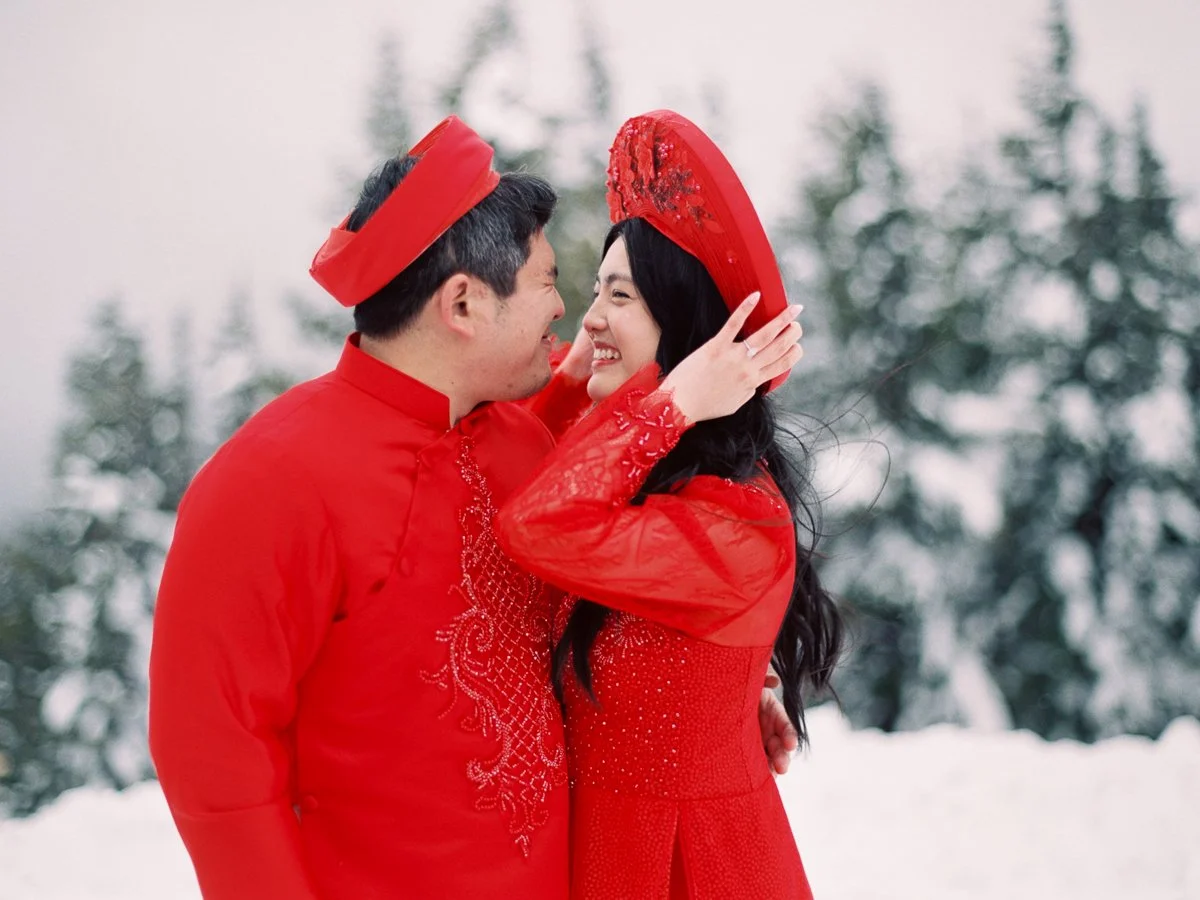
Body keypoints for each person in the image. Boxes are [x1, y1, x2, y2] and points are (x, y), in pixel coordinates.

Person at [148, 115, 799, 899]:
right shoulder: (269, 477)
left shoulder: (525, 438)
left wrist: (718, 692)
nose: (567, 314)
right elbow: (211, 755)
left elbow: (668, 536)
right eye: (548, 283)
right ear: (463, 303)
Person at [495, 110, 844, 900]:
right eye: (592, 291)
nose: (589, 317)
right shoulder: (642, 480)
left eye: (618, 295)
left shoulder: (737, 523)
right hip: (601, 858)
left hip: (689, 871)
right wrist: (587, 371)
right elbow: (519, 478)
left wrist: (669, 402)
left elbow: (537, 523)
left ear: (686, 327)